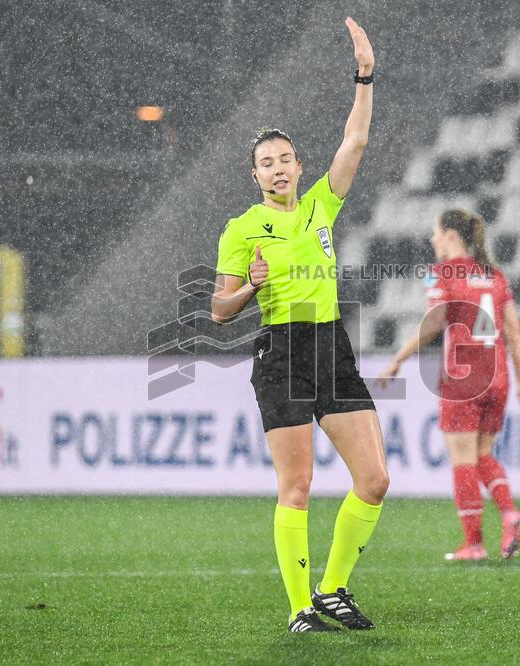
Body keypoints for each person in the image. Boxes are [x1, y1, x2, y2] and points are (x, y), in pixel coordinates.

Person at [210, 17, 389, 633]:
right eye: (267, 162)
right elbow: (218, 310)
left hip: (331, 346)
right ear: (255, 175)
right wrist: (251, 287)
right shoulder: (240, 230)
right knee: (299, 486)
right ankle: (299, 609)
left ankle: (334, 587)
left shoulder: (319, 205)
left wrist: (364, 74)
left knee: (374, 479)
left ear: (298, 165)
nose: (279, 168)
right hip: (281, 351)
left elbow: (357, 141)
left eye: (286, 159)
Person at [376, 209, 520, 561]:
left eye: (436, 233)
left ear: (450, 235)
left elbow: (433, 325)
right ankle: (509, 511)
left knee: (462, 461)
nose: (433, 240)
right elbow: (513, 330)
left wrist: (398, 359)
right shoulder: (494, 275)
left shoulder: (442, 272)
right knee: (483, 455)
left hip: (462, 378)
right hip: (498, 377)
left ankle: (474, 544)